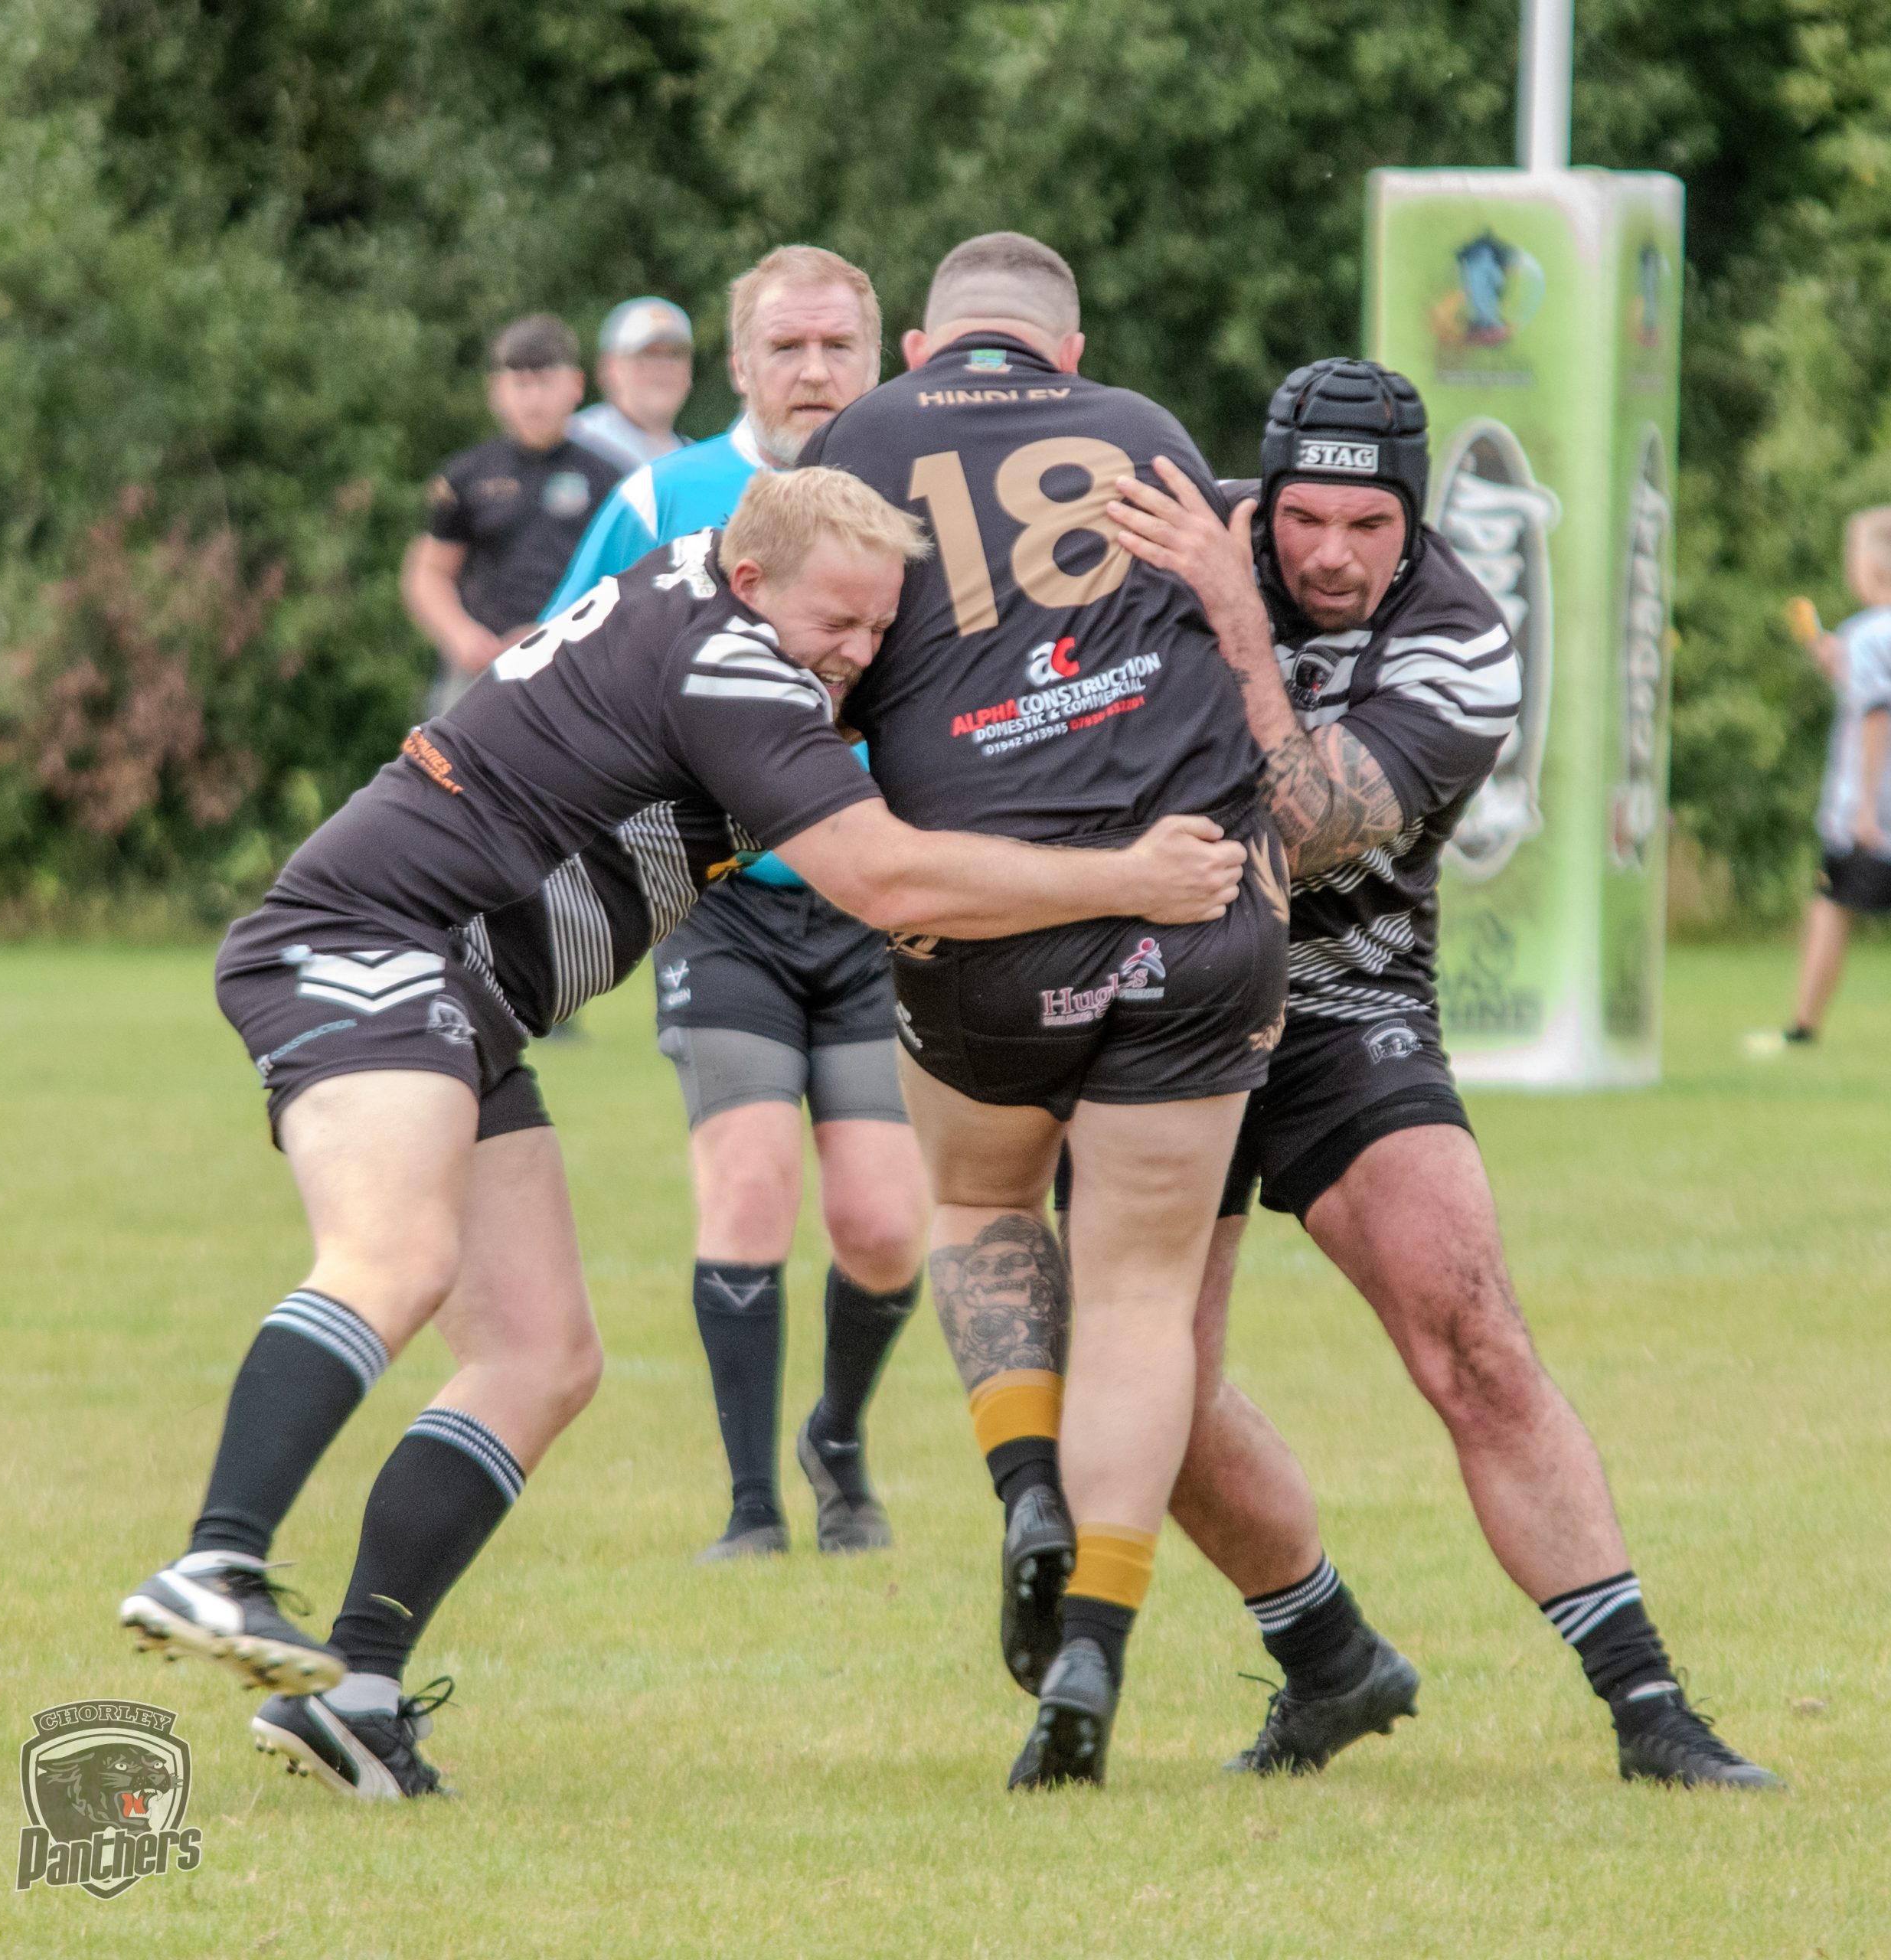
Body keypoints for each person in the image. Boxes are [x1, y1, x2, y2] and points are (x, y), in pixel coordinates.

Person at [116, 466, 1251, 1802]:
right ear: (753, 579)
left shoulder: (715, 579)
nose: (860, 654)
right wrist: (1129, 877)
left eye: (881, 626)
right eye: (839, 623)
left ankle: (355, 1695)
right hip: (370, 946)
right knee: (394, 1255)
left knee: (541, 1356)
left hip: (465, 996)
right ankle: (217, 1560)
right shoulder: (730, 664)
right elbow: (884, 878)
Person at [1091, 356, 1780, 1792]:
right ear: (1267, 497)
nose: (1331, 557)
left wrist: (1235, 621)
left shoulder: (1461, 636)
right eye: (1301, 522)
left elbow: (1309, 828)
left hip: (1344, 1007)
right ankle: (1326, 1654)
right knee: (1158, 1392)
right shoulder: (1179, 536)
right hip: (1157, 1015)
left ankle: (1652, 1713)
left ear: (1413, 520)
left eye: (1369, 527)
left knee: (1471, 1333)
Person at [801, 232, 1291, 1790]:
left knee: (979, 1200)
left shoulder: (861, 439)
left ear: (916, 344)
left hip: (991, 921)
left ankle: (1025, 1486)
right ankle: (1093, 1641)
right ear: (1068, 350)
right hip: (1196, 905)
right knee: (1141, 1295)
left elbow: (817, 665)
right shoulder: (1144, 428)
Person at [548, 247, 927, 1561]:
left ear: (878, 357)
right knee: (752, 1183)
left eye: (837, 346)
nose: (814, 371)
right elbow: (562, 665)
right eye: (787, 347)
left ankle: (839, 1436)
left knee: (883, 1222)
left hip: (880, 905)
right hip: (724, 908)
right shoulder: (664, 497)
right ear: (740, 364)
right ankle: (753, 1509)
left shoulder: (924, 500)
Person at [402, 315, 621, 715]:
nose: (533, 399)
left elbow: (627, 583)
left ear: (576, 385)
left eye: (546, 383)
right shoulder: (465, 476)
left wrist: (560, 634)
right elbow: (428, 573)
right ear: (497, 391)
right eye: (521, 384)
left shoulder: (611, 480)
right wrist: (463, 636)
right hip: (482, 670)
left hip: (575, 669)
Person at [1758, 507, 1891, 1049]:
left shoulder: (1866, 635)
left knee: (1831, 905)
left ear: (1874, 569)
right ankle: (1803, 1026)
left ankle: (1802, 1027)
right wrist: (1842, 668)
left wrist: (1865, 804)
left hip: (1876, 807)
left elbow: (1878, 714)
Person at [567, 296, 695, 479]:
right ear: (611, 367)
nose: (663, 367)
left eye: (675, 354)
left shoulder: (696, 458)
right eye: (648, 354)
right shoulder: (576, 444)